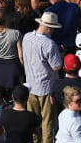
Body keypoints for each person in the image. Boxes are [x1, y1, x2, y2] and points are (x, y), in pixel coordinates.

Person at [23, 11, 64, 143]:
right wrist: (61, 54)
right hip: (47, 89)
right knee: (48, 122)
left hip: (30, 86)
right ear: (48, 27)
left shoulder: (27, 37)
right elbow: (56, 66)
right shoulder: (49, 44)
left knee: (33, 122)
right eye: (52, 28)